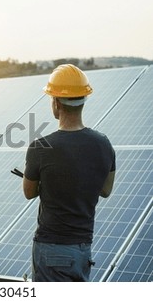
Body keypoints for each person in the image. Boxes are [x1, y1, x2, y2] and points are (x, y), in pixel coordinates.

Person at [23, 64, 116, 282]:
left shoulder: (40, 147)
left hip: (51, 248)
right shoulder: (103, 144)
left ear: (56, 102)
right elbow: (105, 190)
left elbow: (29, 192)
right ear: (83, 100)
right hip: (82, 249)